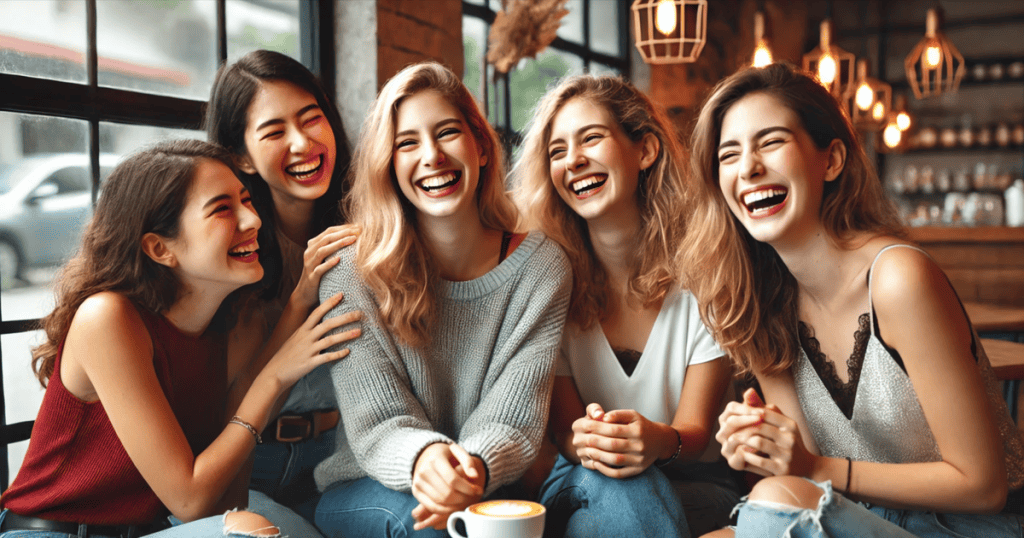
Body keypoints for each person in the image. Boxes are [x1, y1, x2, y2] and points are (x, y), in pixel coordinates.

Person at [679, 62, 1024, 538]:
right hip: (860, 518)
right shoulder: (757, 302)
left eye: (772, 142)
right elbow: (799, 476)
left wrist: (811, 467)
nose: (749, 168)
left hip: (973, 526)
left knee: (771, 504)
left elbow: (983, 486)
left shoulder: (898, 278)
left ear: (832, 159)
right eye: (728, 154)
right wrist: (764, 450)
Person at [0, 140, 361, 538]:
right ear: (159, 248)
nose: (253, 219)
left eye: (246, 199)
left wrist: (301, 299)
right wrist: (274, 378)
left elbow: (226, 499)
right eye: (223, 208)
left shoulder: (226, 321)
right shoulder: (108, 318)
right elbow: (191, 501)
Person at [310, 61, 572, 538]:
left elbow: (515, 416)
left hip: (481, 483)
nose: (431, 156)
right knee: (431, 529)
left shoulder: (541, 266)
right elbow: (377, 423)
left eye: (447, 133)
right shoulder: (351, 270)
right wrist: (426, 459)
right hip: (366, 487)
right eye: (407, 143)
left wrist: (468, 468)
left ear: (481, 145)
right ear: (388, 165)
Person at [511, 74, 737, 538]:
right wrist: (597, 443)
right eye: (557, 151)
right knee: (624, 490)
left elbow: (695, 434)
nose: (573, 160)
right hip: (584, 478)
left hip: (696, 480)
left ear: (645, 151)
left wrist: (655, 442)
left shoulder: (706, 273)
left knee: (613, 512)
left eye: (591, 138)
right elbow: (566, 434)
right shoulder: (548, 284)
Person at [206, 49, 359, 525]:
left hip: (343, 459)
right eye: (274, 132)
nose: (302, 143)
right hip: (254, 468)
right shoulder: (232, 252)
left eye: (312, 119)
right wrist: (301, 299)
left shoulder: (367, 225)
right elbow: (229, 412)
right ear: (241, 157)